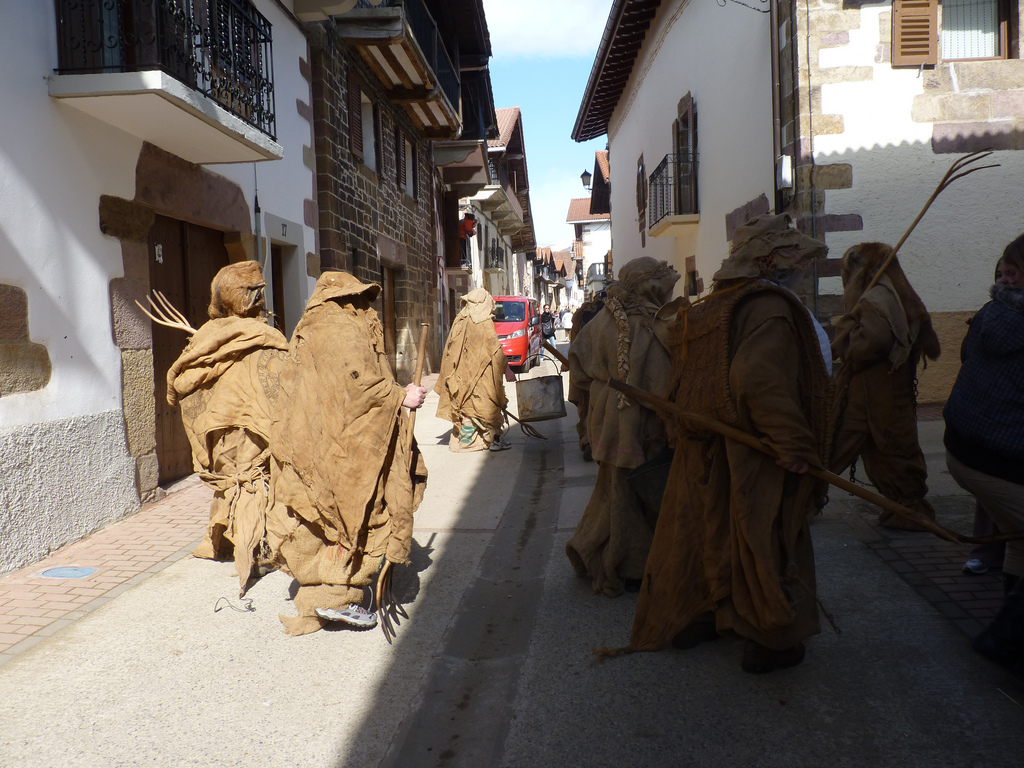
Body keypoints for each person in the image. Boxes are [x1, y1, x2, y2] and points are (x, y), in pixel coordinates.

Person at [622, 213, 831, 673]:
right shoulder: (768, 307)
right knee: (762, 536)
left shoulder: (715, 302)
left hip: (705, 444)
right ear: (772, 259)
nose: (803, 262)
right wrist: (792, 442)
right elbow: (757, 378)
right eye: (795, 253)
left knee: (709, 531)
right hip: (750, 447)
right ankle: (771, 638)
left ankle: (703, 615)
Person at [266, 271, 428, 635]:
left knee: (322, 515)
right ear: (347, 300)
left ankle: (320, 591)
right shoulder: (341, 330)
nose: (366, 309)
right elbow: (358, 387)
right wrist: (401, 396)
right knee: (356, 513)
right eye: (360, 300)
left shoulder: (308, 328)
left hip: (312, 441)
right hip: (346, 446)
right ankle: (340, 596)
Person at [166, 261, 289, 597]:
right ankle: (257, 549)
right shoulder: (263, 336)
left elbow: (185, 385)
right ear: (251, 297)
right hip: (245, 425)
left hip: (218, 425)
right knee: (253, 479)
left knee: (235, 476)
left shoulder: (207, 337)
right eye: (258, 292)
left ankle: (229, 539)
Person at [565, 258, 680, 597]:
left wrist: (598, 396)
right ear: (650, 287)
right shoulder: (648, 325)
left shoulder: (603, 319)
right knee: (638, 494)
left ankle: (596, 549)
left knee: (615, 490)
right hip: (640, 425)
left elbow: (578, 369)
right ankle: (627, 564)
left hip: (606, 418)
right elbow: (659, 385)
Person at [943, 234, 1024, 673]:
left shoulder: (991, 313)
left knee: (1018, 538)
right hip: (997, 457)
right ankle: (1004, 639)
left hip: (965, 447)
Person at [829, 242, 941, 531]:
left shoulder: (876, 299)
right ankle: (906, 510)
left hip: (870, 396)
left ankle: (909, 511)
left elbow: (868, 344)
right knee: (892, 451)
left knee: (837, 447)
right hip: (886, 396)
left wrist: (846, 326)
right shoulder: (898, 297)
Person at [435, 287, 512, 452]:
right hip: (482, 376)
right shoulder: (484, 322)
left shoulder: (460, 319)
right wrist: (507, 370)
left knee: (468, 406)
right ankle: (493, 440)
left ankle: (467, 439)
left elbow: (449, 350)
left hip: (463, 375)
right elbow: (495, 351)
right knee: (488, 407)